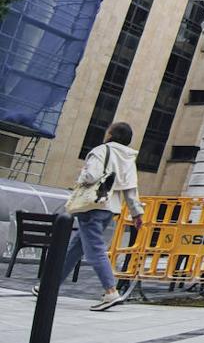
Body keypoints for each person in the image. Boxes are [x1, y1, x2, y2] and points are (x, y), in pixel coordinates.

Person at [41, 122, 144, 311]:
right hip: (110, 208)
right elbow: (130, 189)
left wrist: (82, 174)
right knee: (76, 247)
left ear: (111, 134)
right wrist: (136, 213)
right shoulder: (128, 158)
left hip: (93, 205)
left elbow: (91, 176)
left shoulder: (101, 150)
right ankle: (48, 285)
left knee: (94, 249)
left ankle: (111, 291)